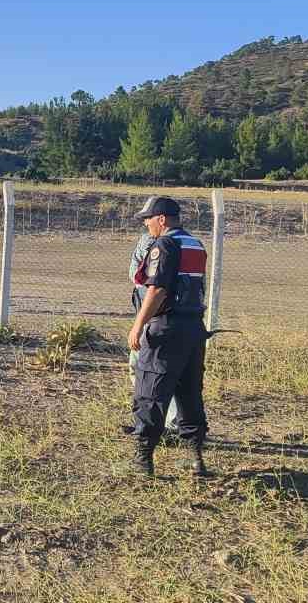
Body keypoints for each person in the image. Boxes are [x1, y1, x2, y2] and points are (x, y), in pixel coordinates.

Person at [126, 196, 209, 476]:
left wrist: (138, 325)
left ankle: (143, 461)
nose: (146, 224)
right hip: (194, 328)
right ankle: (195, 458)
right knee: (189, 393)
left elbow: (158, 289)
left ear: (162, 219)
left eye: (148, 218)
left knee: (150, 391)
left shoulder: (164, 244)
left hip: (166, 328)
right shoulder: (196, 244)